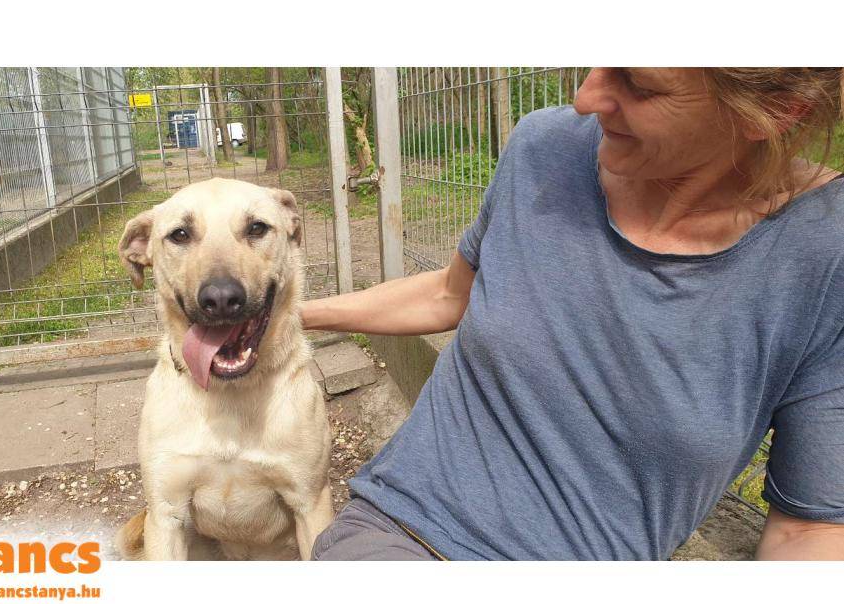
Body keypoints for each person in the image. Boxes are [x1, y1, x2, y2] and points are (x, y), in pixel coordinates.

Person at [302, 68, 844, 560]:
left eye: (639, 84)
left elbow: (810, 530)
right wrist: (290, 317)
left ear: (777, 109)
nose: (586, 97)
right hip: (403, 532)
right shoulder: (544, 147)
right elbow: (450, 294)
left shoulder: (825, 252)